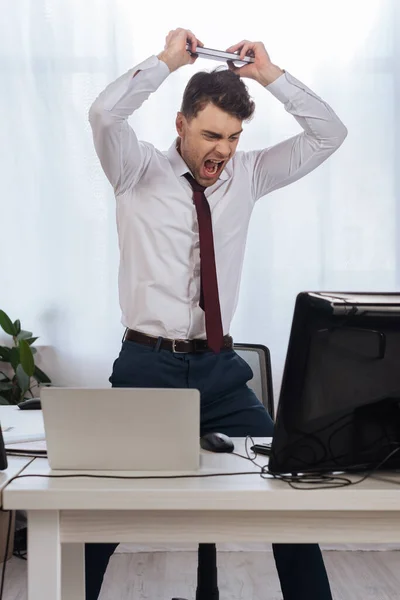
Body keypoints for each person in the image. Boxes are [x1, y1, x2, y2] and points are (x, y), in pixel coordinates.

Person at [87, 27, 347, 600]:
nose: (222, 151)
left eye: (232, 137)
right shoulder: (135, 170)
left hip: (219, 371)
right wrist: (164, 63)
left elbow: (330, 133)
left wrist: (270, 75)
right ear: (180, 125)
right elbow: (105, 115)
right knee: (97, 517)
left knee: (286, 498)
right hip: (146, 368)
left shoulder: (248, 176)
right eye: (210, 135)